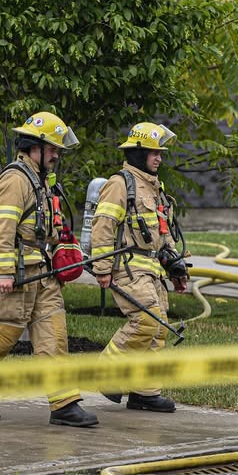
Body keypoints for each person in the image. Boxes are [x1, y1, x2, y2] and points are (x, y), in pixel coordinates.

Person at [0, 111, 98, 428]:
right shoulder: (15, 180)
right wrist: (4, 272)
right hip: (17, 273)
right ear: (35, 147)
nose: (57, 155)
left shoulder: (40, 182)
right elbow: (1, 228)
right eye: (53, 149)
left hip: (40, 273)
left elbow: (44, 227)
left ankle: (64, 404)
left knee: (54, 335)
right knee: (2, 334)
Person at [89, 122, 189, 413]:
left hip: (152, 270)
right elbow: (103, 228)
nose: (158, 158)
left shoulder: (155, 188)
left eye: (160, 153)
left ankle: (144, 392)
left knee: (159, 329)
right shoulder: (120, 184)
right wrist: (103, 269)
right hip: (127, 268)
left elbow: (163, 230)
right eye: (152, 153)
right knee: (146, 321)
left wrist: (175, 268)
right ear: (136, 154)